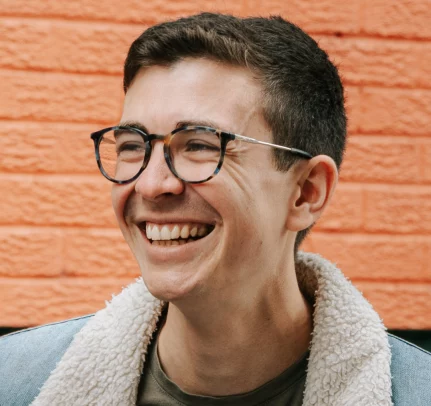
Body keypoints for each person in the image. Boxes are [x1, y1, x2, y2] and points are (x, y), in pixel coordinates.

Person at [1, 12, 430, 406]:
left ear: (306, 192)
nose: (151, 184)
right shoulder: (15, 383)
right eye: (132, 146)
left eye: (201, 145)